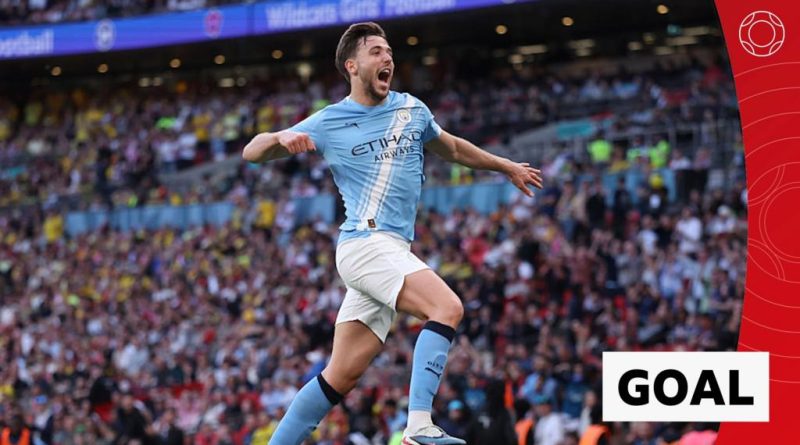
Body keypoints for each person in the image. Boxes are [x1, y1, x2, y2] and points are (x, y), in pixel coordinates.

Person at [242, 21, 543, 445]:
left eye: (389, 52)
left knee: (338, 378)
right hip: (365, 245)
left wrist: (506, 165)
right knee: (447, 308)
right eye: (377, 52)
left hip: (387, 249)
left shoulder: (411, 110)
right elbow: (251, 153)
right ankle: (419, 426)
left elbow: (454, 148)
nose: (388, 59)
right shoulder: (329, 121)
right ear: (352, 65)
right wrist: (278, 136)